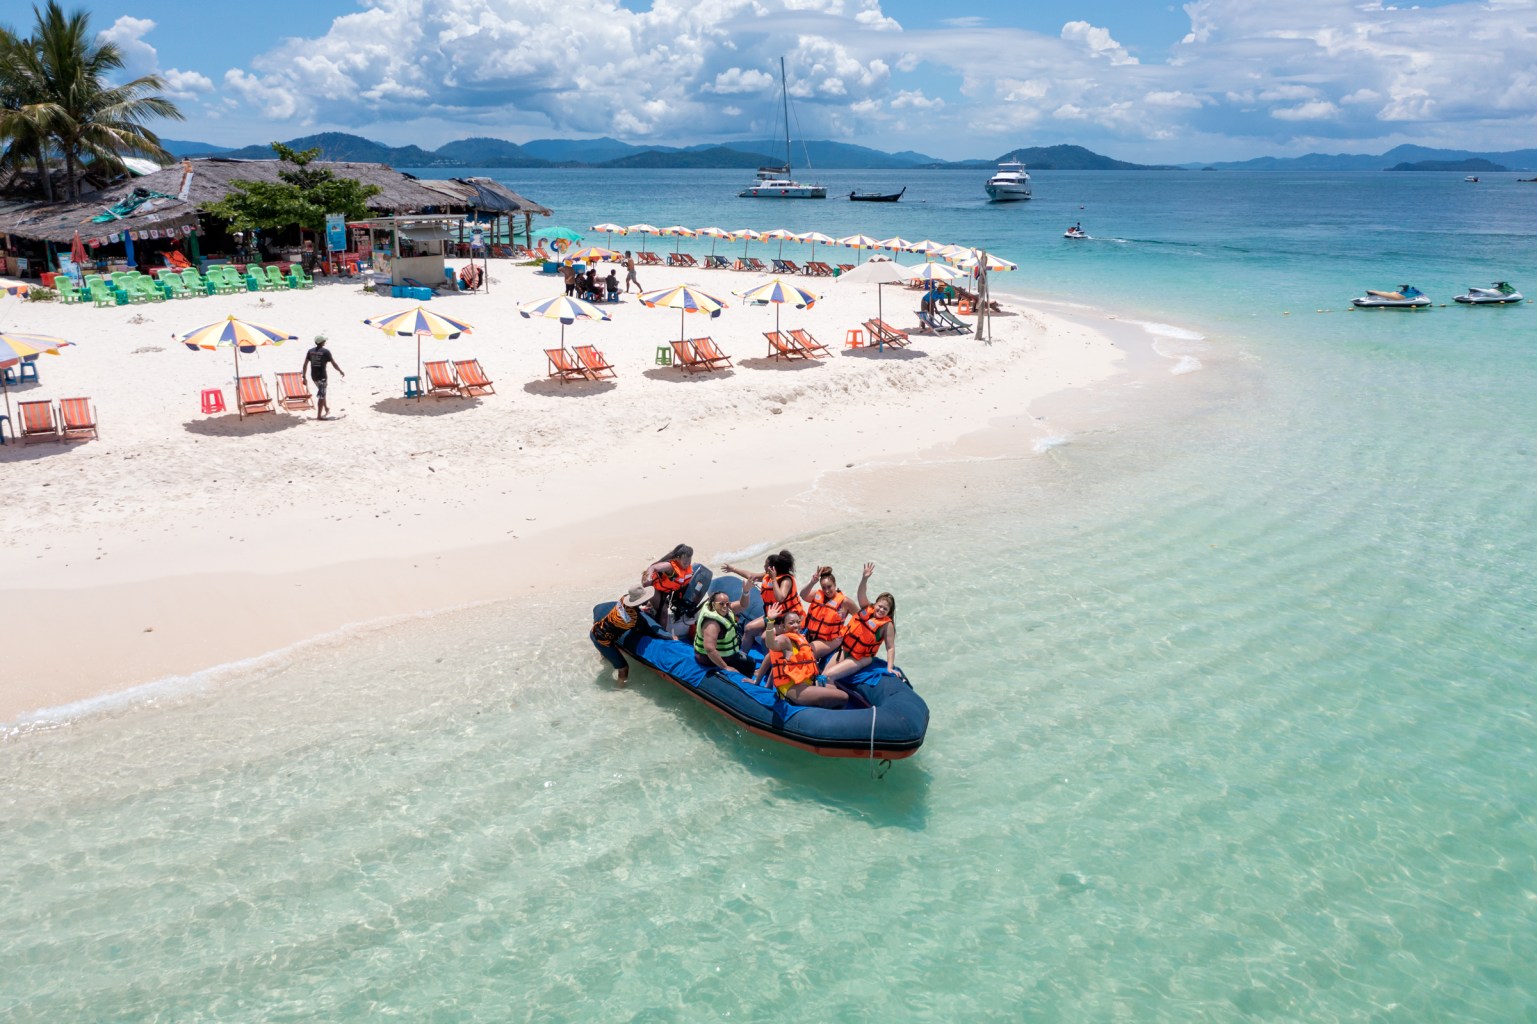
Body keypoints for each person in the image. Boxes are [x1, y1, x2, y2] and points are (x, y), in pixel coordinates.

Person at [752, 603, 847, 708]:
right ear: (783, 627)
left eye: (798, 622)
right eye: (791, 623)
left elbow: (773, 660)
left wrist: (761, 683)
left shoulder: (800, 639)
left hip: (807, 683)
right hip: (794, 688)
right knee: (843, 697)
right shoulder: (783, 639)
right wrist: (770, 622)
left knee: (834, 690)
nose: (796, 625)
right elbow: (770, 644)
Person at [823, 562, 897, 683]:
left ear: (889, 612)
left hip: (862, 658)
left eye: (885, 609)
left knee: (828, 676)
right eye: (880, 606)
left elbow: (890, 647)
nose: (881, 610)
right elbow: (861, 594)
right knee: (823, 675)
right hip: (846, 649)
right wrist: (864, 578)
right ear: (875, 604)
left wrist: (890, 668)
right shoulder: (867, 608)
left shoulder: (887, 625)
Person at [722, 550, 801, 652]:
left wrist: (774, 579)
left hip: (786, 618)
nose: (764, 566)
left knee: (765, 637)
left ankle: (768, 660)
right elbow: (751, 576)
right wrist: (733, 569)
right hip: (772, 616)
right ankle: (742, 656)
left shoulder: (786, 580)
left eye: (766, 565)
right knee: (748, 629)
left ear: (773, 569)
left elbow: (780, 598)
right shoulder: (767, 576)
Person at [591, 584, 653, 686]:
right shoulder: (633, 618)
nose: (647, 600)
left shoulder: (623, 599)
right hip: (602, 640)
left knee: (609, 652)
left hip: (596, 629)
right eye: (645, 599)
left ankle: (605, 657)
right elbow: (648, 630)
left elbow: (633, 611)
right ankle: (620, 688)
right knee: (624, 667)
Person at [799, 566, 860, 659]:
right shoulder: (817, 595)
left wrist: (848, 630)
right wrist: (812, 582)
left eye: (829, 586)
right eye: (824, 588)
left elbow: (861, 618)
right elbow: (803, 595)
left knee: (805, 653)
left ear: (835, 584)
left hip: (829, 640)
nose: (827, 591)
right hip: (810, 634)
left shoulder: (845, 602)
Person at [693, 589, 757, 676]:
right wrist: (725, 667)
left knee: (749, 663)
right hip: (707, 658)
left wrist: (746, 591)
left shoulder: (723, 609)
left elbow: (743, 605)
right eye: (721, 604)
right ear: (713, 604)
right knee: (749, 664)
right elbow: (709, 649)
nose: (725, 607)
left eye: (727, 604)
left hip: (724, 652)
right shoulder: (712, 624)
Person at [642, 543, 695, 630]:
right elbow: (653, 568)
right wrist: (648, 579)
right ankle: (662, 634)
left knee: (662, 606)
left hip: (664, 589)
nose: (687, 565)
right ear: (677, 559)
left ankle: (649, 608)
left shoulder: (688, 569)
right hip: (652, 586)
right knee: (663, 613)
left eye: (689, 562)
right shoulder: (670, 566)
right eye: (685, 562)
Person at [302, 334, 345, 420]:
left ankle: (326, 408)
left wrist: (304, 376)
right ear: (322, 342)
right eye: (324, 341)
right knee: (321, 395)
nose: (325, 342)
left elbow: (305, 365)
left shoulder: (310, 351)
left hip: (313, 376)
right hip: (322, 377)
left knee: (322, 392)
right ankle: (319, 416)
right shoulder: (326, 352)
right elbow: (334, 363)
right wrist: (340, 371)